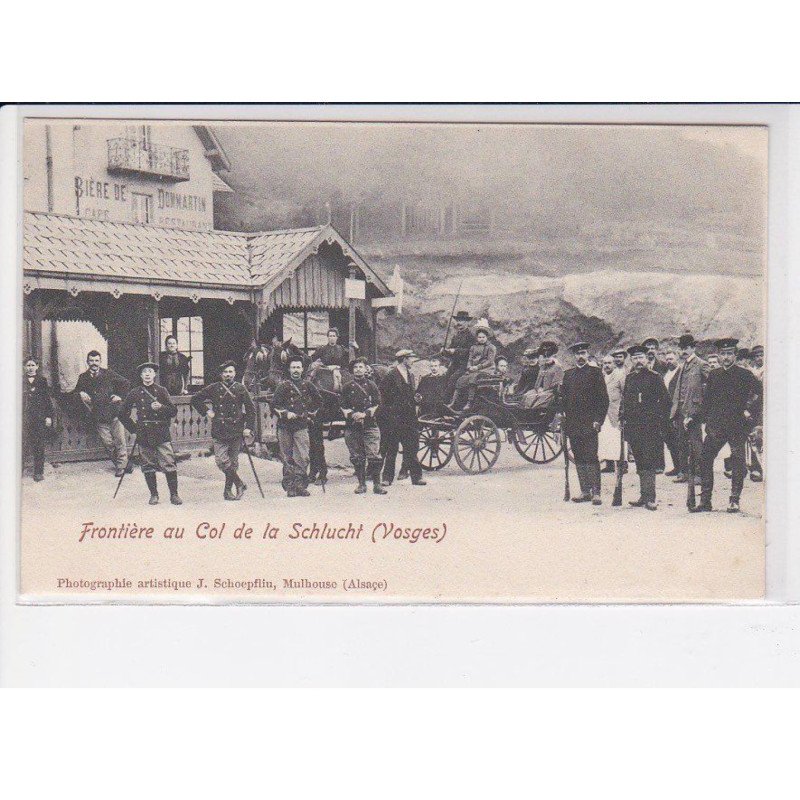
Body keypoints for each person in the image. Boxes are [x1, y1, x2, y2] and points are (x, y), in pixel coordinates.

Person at [691, 338, 762, 513]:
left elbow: (760, 394)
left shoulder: (744, 374)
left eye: (729, 353)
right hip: (716, 426)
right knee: (705, 458)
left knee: (737, 461)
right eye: (723, 354)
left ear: (735, 355)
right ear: (718, 356)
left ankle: (734, 500)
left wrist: (749, 412)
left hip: (737, 426)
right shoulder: (714, 375)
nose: (726, 357)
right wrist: (695, 418)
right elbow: (707, 401)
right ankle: (705, 501)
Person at [191, 361, 256, 500]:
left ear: (235, 373)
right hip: (219, 430)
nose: (228, 374)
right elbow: (195, 399)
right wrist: (207, 411)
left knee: (233, 463)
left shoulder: (240, 388)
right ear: (221, 374)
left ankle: (227, 492)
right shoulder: (214, 388)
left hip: (236, 430)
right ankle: (239, 483)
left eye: (230, 372)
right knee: (221, 460)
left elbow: (251, 410)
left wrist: (248, 428)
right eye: (225, 372)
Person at [119, 362, 181, 505]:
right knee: (147, 465)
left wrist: (161, 407)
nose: (147, 374)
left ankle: (174, 495)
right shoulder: (134, 392)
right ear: (141, 376)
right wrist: (134, 429)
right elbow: (122, 413)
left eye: (150, 371)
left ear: (154, 374)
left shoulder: (162, 390)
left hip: (161, 433)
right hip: (144, 433)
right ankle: (154, 495)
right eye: (144, 372)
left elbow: (173, 411)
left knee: (169, 463)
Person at [619, 345, 672, 510]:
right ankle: (643, 495)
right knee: (639, 461)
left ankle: (651, 498)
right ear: (631, 360)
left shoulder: (655, 377)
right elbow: (625, 400)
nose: (638, 361)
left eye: (640, 357)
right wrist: (622, 417)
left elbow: (666, 401)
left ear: (646, 359)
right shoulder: (630, 378)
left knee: (649, 461)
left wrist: (658, 419)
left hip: (650, 427)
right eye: (635, 358)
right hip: (633, 427)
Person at [561, 342, 609, 505]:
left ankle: (596, 492)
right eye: (577, 354)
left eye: (583, 353)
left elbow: (603, 400)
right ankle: (585, 491)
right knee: (579, 456)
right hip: (573, 424)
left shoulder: (595, 373)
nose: (580, 356)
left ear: (587, 354)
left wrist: (598, 420)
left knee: (591, 456)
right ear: (573, 356)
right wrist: (561, 416)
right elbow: (563, 400)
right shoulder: (568, 375)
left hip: (590, 423)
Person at [72, 350, 132, 477]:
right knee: (108, 443)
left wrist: (120, 396)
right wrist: (80, 393)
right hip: (98, 415)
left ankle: (120, 467)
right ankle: (125, 464)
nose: (94, 363)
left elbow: (126, 383)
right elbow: (75, 392)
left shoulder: (108, 373)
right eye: (91, 361)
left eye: (96, 360)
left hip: (114, 412)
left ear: (100, 361)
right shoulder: (83, 377)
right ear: (87, 362)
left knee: (120, 441)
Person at [271, 356, 322, 497]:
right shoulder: (282, 386)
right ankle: (290, 487)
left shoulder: (308, 385)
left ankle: (300, 485)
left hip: (301, 425)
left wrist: (309, 414)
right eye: (293, 367)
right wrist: (285, 413)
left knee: (303, 457)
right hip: (285, 427)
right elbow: (274, 405)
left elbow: (318, 401)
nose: (296, 370)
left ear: (302, 369)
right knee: (287, 457)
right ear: (289, 369)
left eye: (298, 367)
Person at [379, 349, 426, 487]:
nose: (413, 361)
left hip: (409, 417)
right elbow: (382, 395)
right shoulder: (390, 375)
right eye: (411, 359)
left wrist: (416, 399)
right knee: (391, 448)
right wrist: (389, 412)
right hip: (394, 417)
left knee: (411, 448)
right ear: (404, 359)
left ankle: (416, 477)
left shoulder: (410, 375)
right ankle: (387, 478)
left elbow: (411, 395)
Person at [340, 356, 386, 495]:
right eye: (355, 367)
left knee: (374, 456)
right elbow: (342, 405)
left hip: (370, 425)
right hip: (352, 426)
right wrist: (353, 414)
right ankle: (361, 484)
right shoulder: (347, 387)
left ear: (366, 369)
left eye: (361, 367)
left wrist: (365, 414)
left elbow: (378, 404)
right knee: (357, 457)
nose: (358, 369)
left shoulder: (372, 385)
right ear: (352, 370)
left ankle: (377, 485)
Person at [670, 334, 709, 484]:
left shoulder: (701, 364)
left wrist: (700, 403)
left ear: (693, 348)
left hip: (694, 410)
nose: (683, 351)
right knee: (681, 442)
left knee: (696, 442)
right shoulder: (683, 366)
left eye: (686, 348)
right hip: (680, 409)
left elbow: (711, 384)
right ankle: (684, 472)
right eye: (681, 348)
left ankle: (699, 474)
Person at [446, 323, 497, 412]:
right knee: (461, 380)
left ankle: (469, 402)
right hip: (474, 369)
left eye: (483, 337)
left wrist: (478, 367)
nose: (481, 339)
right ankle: (453, 402)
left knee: (473, 378)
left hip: (486, 369)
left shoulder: (491, 347)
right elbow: (470, 359)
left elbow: (490, 361)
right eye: (479, 337)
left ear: (487, 337)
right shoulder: (473, 347)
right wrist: (469, 366)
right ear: (477, 338)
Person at [22, 356, 53, 482]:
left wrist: (48, 416)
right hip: (23, 418)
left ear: (37, 366)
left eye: (33, 365)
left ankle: (38, 472)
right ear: (24, 367)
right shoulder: (19, 380)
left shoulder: (42, 381)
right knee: (21, 444)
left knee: (39, 445)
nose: (30, 368)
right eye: (28, 365)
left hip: (38, 418)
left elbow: (47, 400)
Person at [598, 354, 625, 472]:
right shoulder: (601, 377)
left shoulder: (620, 377)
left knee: (617, 438)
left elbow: (625, 394)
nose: (607, 365)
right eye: (605, 363)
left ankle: (622, 465)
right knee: (606, 437)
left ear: (614, 364)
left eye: (609, 363)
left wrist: (622, 411)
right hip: (604, 412)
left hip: (615, 411)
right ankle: (609, 464)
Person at [442, 310, 474, 397]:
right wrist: (444, 351)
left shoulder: (471, 336)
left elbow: (470, 351)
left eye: (462, 320)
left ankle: (449, 401)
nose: (459, 323)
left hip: (465, 365)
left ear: (467, 322)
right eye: (458, 320)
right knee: (444, 378)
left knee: (453, 379)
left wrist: (456, 351)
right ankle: (443, 400)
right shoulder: (456, 336)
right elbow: (450, 351)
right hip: (455, 364)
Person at [661, 349, 682, 476]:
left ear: (677, 358)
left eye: (671, 359)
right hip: (665, 411)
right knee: (670, 441)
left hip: (677, 411)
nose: (669, 361)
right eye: (667, 359)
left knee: (679, 440)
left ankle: (683, 469)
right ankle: (676, 466)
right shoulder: (666, 373)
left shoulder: (681, 372)